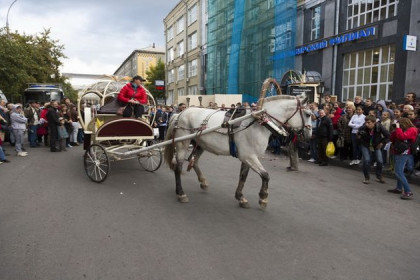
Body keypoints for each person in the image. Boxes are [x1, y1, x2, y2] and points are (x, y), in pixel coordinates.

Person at [388, 118, 418, 199]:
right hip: (397, 151)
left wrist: (398, 128)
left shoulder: (412, 129)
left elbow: (402, 137)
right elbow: (391, 138)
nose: (399, 126)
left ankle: (408, 191)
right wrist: (395, 129)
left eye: (400, 124)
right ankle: (398, 188)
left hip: (404, 153)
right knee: (399, 171)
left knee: (398, 172)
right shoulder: (401, 129)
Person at [357, 115, 390, 184]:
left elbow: (388, 136)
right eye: (366, 122)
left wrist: (382, 143)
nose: (367, 124)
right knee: (367, 160)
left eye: (369, 122)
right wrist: (360, 137)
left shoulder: (379, 127)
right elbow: (358, 135)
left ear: (374, 122)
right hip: (365, 145)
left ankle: (379, 176)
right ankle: (366, 177)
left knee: (380, 161)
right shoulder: (363, 128)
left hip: (376, 145)